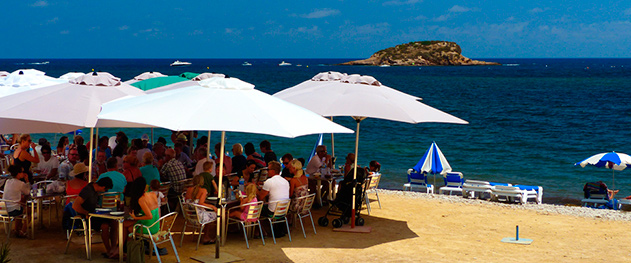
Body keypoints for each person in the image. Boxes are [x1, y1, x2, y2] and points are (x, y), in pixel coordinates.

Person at [72, 177, 114, 257]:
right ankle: (109, 250)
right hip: (86, 217)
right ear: (103, 187)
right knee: (105, 226)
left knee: (114, 222)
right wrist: (86, 213)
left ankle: (114, 248)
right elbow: (75, 205)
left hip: (94, 215)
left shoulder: (94, 190)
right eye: (106, 190)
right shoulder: (87, 191)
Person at [257, 161, 289, 236]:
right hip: (283, 210)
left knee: (256, 210)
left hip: (273, 211)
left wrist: (256, 190)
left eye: (268, 169)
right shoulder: (285, 181)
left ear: (273, 171)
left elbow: (260, 197)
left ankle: (261, 232)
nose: (267, 172)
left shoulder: (269, 182)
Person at [184, 174, 218, 244]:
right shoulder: (203, 190)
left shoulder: (188, 190)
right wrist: (212, 206)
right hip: (199, 216)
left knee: (208, 214)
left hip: (190, 216)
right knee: (216, 214)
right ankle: (207, 236)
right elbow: (201, 203)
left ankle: (204, 234)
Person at [4, 165, 31, 237]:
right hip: (13, 210)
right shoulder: (20, 183)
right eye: (22, 172)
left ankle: (17, 229)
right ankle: (23, 231)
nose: (23, 173)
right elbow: (28, 192)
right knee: (29, 212)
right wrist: (27, 180)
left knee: (20, 206)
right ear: (18, 173)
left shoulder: (7, 181)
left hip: (4, 209)